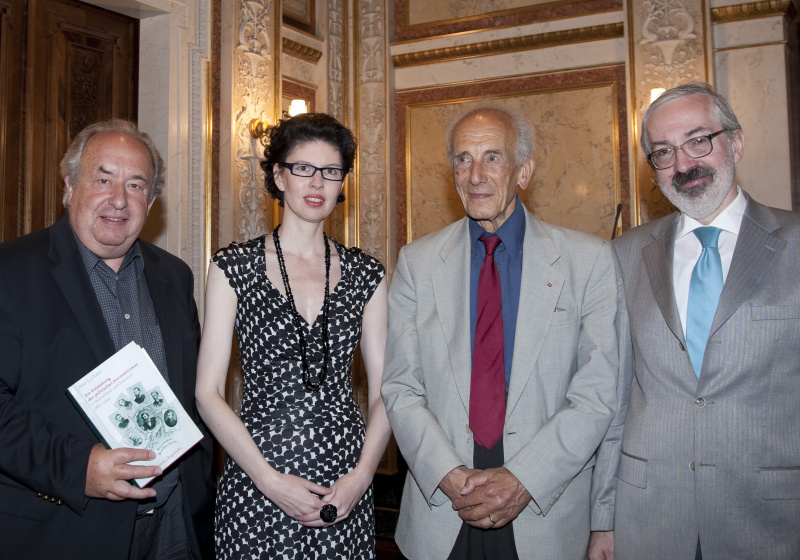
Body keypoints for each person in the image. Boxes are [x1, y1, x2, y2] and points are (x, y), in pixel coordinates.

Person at [381, 106, 619, 559]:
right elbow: (401, 385)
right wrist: (448, 475)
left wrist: (524, 478)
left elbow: (597, 393)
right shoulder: (417, 262)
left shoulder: (587, 261)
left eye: (492, 157)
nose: (475, 175)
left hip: (543, 506)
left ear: (523, 171)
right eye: (462, 159)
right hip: (443, 508)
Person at [589, 82, 800, 560]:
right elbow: (615, 398)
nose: (683, 164)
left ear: (736, 143)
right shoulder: (623, 256)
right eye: (663, 152)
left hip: (772, 521)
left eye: (698, 140)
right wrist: (603, 519)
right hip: (649, 519)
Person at [0, 119, 215, 560]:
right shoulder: (10, 271)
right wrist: (78, 468)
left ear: (151, 202)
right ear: (69, 186)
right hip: (64, 529)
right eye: (103, 179)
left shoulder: (175, 276)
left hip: (174, 521)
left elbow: (194, 395)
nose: (119, 199)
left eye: (136, 185)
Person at [196, 112, 391, 559]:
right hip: (256, 477)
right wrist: (267, 480)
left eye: (331, 171)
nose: (317, 182)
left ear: (343, 182)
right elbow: (207, 392)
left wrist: (361, 478)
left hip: (343, 484)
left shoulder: (368, 275)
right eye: (303, 168)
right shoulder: (233, 267)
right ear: (279, 176)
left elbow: (386, 391)